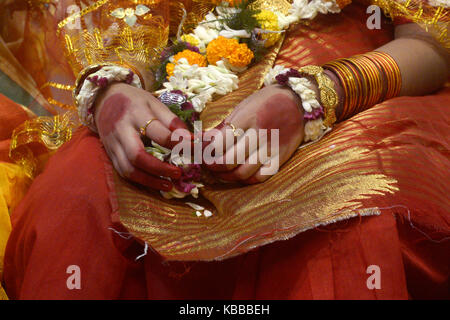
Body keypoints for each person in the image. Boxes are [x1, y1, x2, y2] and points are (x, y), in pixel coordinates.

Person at [0, 0, 449, 299]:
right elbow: (132, 27)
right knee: (73, 200)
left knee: (345, 216)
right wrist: (109, 92)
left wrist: (314, 96)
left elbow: (434, 40)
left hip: (360, 92)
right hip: (172, 94)